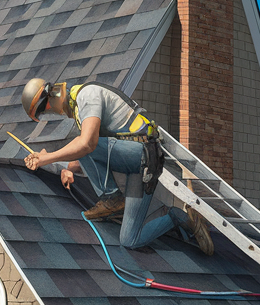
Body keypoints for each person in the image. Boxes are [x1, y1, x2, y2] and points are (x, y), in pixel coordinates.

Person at [20, 78, 214, 255]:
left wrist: (48, 158)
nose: (50, 112)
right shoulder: (79, 111)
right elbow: (85, 157)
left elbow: (87, 145)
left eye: (44, 109)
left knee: (82, 143)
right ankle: (180, 216)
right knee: (130, 240)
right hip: (139, 170)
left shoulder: (87, 96)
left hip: (144, 152)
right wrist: (63, 168)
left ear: (51, 94)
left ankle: (112, 199)